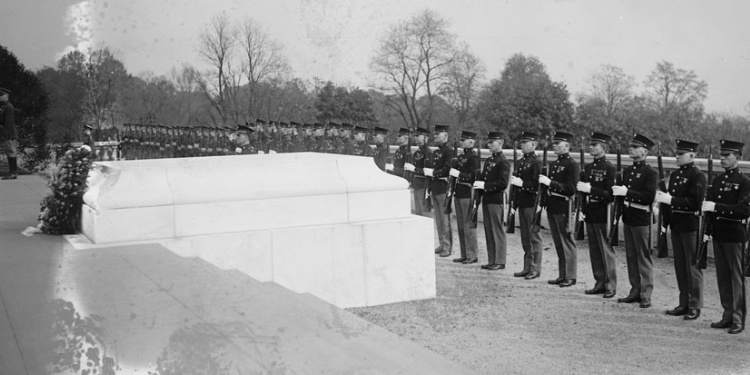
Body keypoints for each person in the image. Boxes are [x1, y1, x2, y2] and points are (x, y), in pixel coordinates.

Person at [702, 139, 749, 334]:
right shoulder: (718, 181)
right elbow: (710, 209)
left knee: (736, 277)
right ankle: (727, 314)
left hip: (734, 233)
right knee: (722, 276)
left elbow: (744, 210)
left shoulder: (744, 182)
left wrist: (717, 207)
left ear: (738, 158)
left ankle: (738, 318)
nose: (723, 159)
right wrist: (708, 230)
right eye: (721, 155)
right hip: (719, 232)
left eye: (727, 156)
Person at [656, 140, 706, 320]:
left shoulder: (697, 176)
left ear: (692, 156)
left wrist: (671, 201)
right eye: (676, 153)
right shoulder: (676, 175)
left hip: (689, 224)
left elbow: (695, 202)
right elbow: (670, 200)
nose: (676, 156)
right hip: (676, 223)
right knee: (680, 266)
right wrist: (665, 221)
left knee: (692, 266)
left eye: (681, 154)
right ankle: (683, 302)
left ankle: (695, 305)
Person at [613, 133, 657, 309]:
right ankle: (635, 290)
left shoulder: (650, 173)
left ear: (645, 151)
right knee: (631, 256)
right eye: (631, 147)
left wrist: (627, 193)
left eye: (635, 147)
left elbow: (648, 197)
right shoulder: (628, 171)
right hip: (629, 216)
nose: (631, 149)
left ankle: (646, 293)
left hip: (641, 218)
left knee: (643, 257)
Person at [576, 132, 617, 298]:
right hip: (591, 212)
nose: (591, 147)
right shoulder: (589, 167)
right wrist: (582, 210)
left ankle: (610, 285)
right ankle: (599, 281)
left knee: (605, 250)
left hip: (602, 212)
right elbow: (583, 194)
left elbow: (610, 195)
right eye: (591, 144)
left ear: (604, 148)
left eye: (595, 145)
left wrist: (591, 190)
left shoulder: (609, 168)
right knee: (594, 250)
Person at [539, 131, 580, 287]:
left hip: (564, 206)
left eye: (558, 143)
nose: (554, 146)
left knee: (567, 242)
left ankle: (571, 275)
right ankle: (562, 274)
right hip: (553, 205)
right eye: (554, 143)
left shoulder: (572, 165)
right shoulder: (555, 164)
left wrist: (550, 183)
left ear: (567, 146)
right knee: (558, 242)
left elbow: (570, 189)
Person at [473, 131, 510, 270]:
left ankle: (499, 260)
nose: (489, 144)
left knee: (497, 230)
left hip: (496, 200)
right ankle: (492, 259)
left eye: (491, 142)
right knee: (489, 230)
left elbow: (503, 183)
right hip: (487, 199)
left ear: (500, 143)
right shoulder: (489, 161)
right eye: (488, 142)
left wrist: (485, 186)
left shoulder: (503, 162)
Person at [509, 132, 543, 279]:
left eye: (525, 142)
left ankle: (535, 268)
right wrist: (514, 203)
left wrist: (522, 184)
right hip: (522, 202)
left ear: (534, 145)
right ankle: (527, 266)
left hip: (531, 203)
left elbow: (537, 185)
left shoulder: (537, 162)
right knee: (525, 237)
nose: (522, 145)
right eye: (521, 142)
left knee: (533, 237)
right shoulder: (521, 162)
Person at [450, 131, 480, 264]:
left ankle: (472, 254)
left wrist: (459, 174)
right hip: (459, 191)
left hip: (467, 191)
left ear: (471, 142)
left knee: (469, 225)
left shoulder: (473, 157)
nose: (461, 142)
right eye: (461, 140)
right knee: (461, 225)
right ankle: (464, 253)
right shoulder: (461, 157)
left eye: (464, 140)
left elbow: (474, 177)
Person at [424, 124, 453, 257]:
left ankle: (447, 246)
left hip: (443, 188)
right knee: (439, 219)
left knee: (445, 219)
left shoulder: (449, 152)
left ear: (445, 136)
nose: (435, 136)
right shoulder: (436, 152)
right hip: (435, 188)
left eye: (438, 134)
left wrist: (433, 172)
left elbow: (447, 169)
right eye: (434, 134)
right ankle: (442, 243)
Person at [404, 127, 431, 216]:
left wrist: (414, 169)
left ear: (424, 137)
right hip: (416, 185)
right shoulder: (416, 153)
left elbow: (427, 172)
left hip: (423, 186)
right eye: (415, 135)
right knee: (418, 213)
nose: (415, 137)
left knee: (425, 214)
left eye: (417, 135)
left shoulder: (428, 152)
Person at [1, 87, 18, 180]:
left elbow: (8, 122)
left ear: (6, 96)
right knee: (9, 152)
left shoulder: (8, 107)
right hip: (8, 132)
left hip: (9, 133)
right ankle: (12, 171)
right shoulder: (5, 106)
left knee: (11, 152)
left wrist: (5, 133)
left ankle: (13, 172)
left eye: (1, 95)